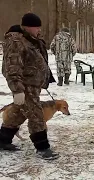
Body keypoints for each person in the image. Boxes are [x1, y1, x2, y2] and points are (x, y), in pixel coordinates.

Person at [0, 13, 59, 160]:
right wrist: (17, 90)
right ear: (28, 27)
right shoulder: (16, 41)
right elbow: (12, 67)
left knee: (18, 114)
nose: (39, 30)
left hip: (33, 85)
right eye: (37, 27)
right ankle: (43, 148)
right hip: (25, 86)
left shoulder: (31, 39)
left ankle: (2, 141)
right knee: (36, 115)